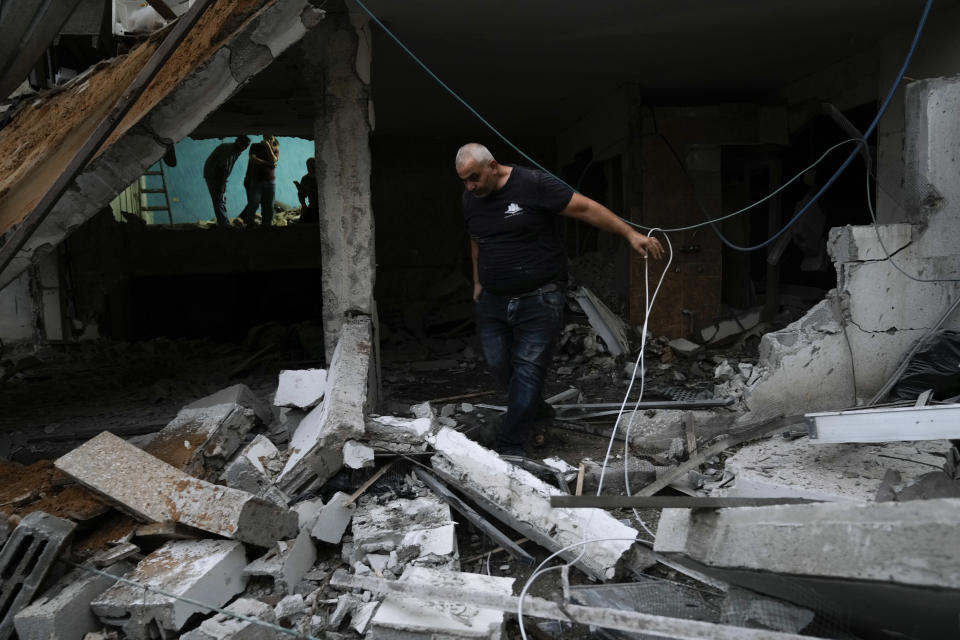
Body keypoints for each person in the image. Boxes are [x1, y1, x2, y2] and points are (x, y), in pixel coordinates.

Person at [456, 142, 664, 457]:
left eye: (474, 177)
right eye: (464, 181)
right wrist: (476, 281)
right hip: (494, 299)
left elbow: (585, 208)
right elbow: (477, 241)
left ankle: (508, 442)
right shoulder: (471, 200)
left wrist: (630, 234)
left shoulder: (533, 184)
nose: (470, 186)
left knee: (527, 369)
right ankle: (538, 414)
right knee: (499, 364)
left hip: (540, 297)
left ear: (492, 166)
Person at [202, 135, 249, 227]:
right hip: (214, 175)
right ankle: (224, 225)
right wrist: (221, 184)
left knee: (221, 200)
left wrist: (223, 183)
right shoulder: (228, 149)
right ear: (237, 142)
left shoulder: (237, 150)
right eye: (243, 145)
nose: (244, 148)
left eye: (246, 146)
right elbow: (222, 168)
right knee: (219, 200)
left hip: (217, 175)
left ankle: (223, 222)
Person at [238, 135, 280, 227]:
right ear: (263, 136)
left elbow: (273, 160)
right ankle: (249, 223)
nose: (268, 139)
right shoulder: (255, 146)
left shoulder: (275, 149)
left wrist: (268, 146)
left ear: (273, 138)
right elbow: (253, 159)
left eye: (271, 137)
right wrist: (268, 164)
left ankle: (267, 224)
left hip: (270, 182)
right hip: (256, 181)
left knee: (269, 205)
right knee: (253, 203)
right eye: (267, 137)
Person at [294, 157, 319, 224]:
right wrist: (304, 205)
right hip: (312, 206)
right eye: (308, 166)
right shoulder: (305, 179)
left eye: (312, 166)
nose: (310, 168)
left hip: (323, 206)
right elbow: (301, 195)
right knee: (303, 220)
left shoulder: (322, 177)